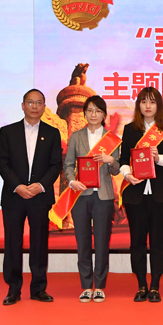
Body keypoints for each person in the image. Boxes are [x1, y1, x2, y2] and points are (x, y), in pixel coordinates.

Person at [0, 89, 62, 306]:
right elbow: (2, 162)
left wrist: (40, 186)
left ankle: (39, 288)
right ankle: (13, 289)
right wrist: (18, 186)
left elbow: (56, 165)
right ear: (23, 105)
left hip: (40, 197)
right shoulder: (8, 132)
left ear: (44, 107)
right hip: (14, 197)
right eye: (30, 102)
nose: (34, 106)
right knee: (12, 243)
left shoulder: (52, 133)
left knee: (39, 244)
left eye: (39, 102)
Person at [63, 96, 121, 303]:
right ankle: (87, 286)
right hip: (81, 195)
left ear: (104, 114)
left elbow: (116, 169)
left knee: (103, 241)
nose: (93, 115)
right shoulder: (76, 136)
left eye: (98, 111)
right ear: (85, 113)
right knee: (83, 241)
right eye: (89, 111)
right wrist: (72, 181)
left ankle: (100, 286)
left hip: (103, 196)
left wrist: (110, 160)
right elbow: (68, 165)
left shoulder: (111, 139)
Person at [119, 87, 163, 303]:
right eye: (143, 102)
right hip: (135, 194)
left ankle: (155, 286)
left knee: (158, 241)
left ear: (158, 105)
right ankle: (141, 284)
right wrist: (127, 175)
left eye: (152, 102)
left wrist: (159, 158)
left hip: (160, 194)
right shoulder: (130, 129)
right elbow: (124, 160)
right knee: (137, 241)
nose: (148, 106)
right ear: (138, 105)